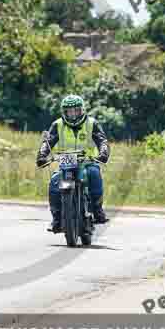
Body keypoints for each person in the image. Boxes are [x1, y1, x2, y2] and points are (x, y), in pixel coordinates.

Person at [36, 94, 110, 233]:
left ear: (82, 110)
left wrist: (103, 153)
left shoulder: (91, 123)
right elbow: (48, 143)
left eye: (76, 110)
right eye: (69, 111)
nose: (73, 114)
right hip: (65, 164)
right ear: (64, 112)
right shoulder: (57, 124)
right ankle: (57, 219)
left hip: (87, 162)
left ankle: (97, 210)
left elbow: (102, 141)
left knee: (94, 173)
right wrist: (42, 155)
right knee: (54, 181)